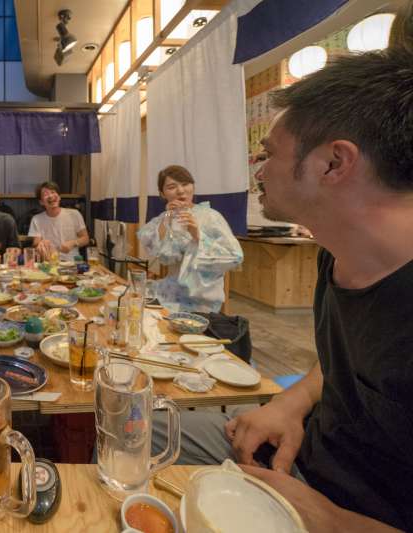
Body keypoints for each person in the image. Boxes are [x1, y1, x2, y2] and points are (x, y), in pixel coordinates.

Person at [151, 22, 413, 532]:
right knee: (135, 426)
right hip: (300, 453)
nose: (257, 166)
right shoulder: (336, 256)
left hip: (349, 515)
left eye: (268, 153)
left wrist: (330, 520)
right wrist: (291, 402)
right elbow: (343, 365)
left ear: (333, 163)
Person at [137, 165, 242, 312]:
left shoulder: (210, 216)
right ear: (162, 193)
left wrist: (198, 236)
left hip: (201, 298)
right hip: (170, 292)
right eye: (172, 187)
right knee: (131, 302)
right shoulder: (164, 218)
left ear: (193, 187)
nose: (180, 191)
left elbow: (235, 256)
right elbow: (158, 253)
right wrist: (167, 217)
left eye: (185, 184)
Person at [28, 181, 89, 262]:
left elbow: (85, 239)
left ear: (59, 197)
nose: (50, 196)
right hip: (49, 262)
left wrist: (73, 243)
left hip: (72, 262)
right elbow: (36, 243)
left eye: (53, 192)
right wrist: (40, 245)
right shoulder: (36, 219)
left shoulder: (74, 214)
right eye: (46, 194)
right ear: (41, 202)